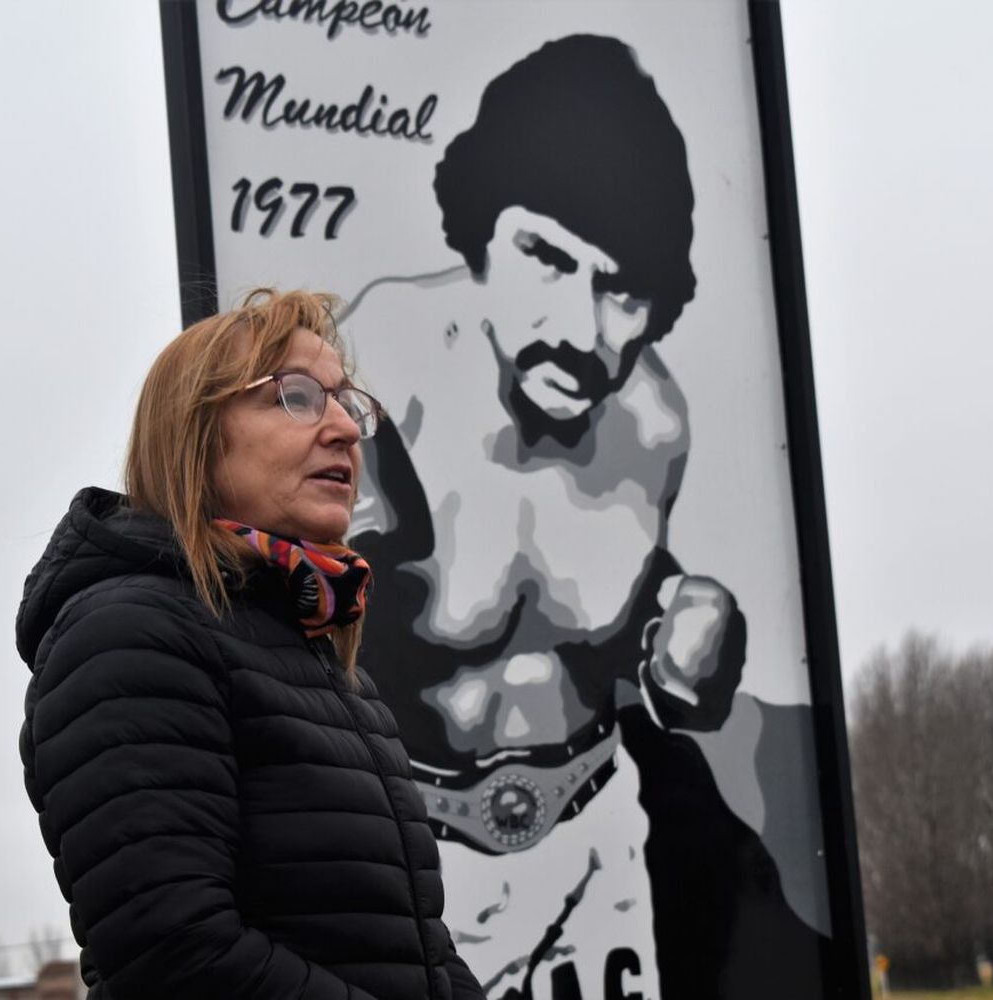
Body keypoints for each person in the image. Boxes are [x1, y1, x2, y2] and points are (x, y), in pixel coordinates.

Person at [341, 34, 827, 999]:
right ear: (480, 230)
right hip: (409, 869)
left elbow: (605, 640)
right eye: (546, 257)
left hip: (600, 845)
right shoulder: (373, 365)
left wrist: (683, 632)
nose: (580, 328)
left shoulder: (654, 420)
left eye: (622, 289)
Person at [15, 289, 487, 1000]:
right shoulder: (127, 636)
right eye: (296, 397)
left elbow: (418, 944)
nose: (345, 430)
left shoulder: (326, 666)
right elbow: (177, 952)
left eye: (346, 402)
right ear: (196, 435)